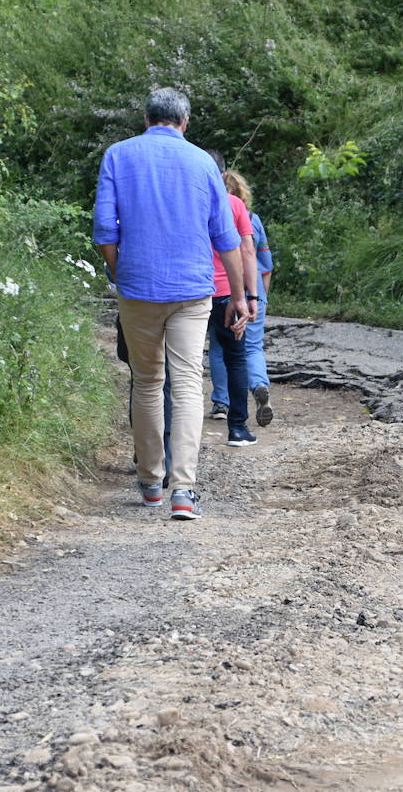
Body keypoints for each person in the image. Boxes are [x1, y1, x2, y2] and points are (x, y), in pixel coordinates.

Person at [93, 88, 251, 522]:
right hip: (192, 291)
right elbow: (226, 238)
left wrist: (118, 271)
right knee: (185, 384)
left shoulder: (117, 156)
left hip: (138, 287)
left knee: (146, 382)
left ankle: (149, 482)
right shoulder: (203, 162)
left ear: (146, 119)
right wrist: (238, 297)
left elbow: (105, 229)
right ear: (184, 123)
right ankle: (183, 491)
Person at [209, 170, 274, 427]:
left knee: (218, 346)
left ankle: (221, 402)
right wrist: (259, 295)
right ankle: (258, 385)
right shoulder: (252, 218)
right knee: (253, 346)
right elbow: (265, 264)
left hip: (221, 287)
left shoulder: (208, 212)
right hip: (252, 289)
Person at [204, 162, 260, 447]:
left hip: (192, 292)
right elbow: (247, 251)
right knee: (235, 356)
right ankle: (237, 428)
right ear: (223, 175)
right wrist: (251, 296)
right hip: (228, 292)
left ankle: (170, 434)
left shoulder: (190, 201)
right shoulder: (235, 204)